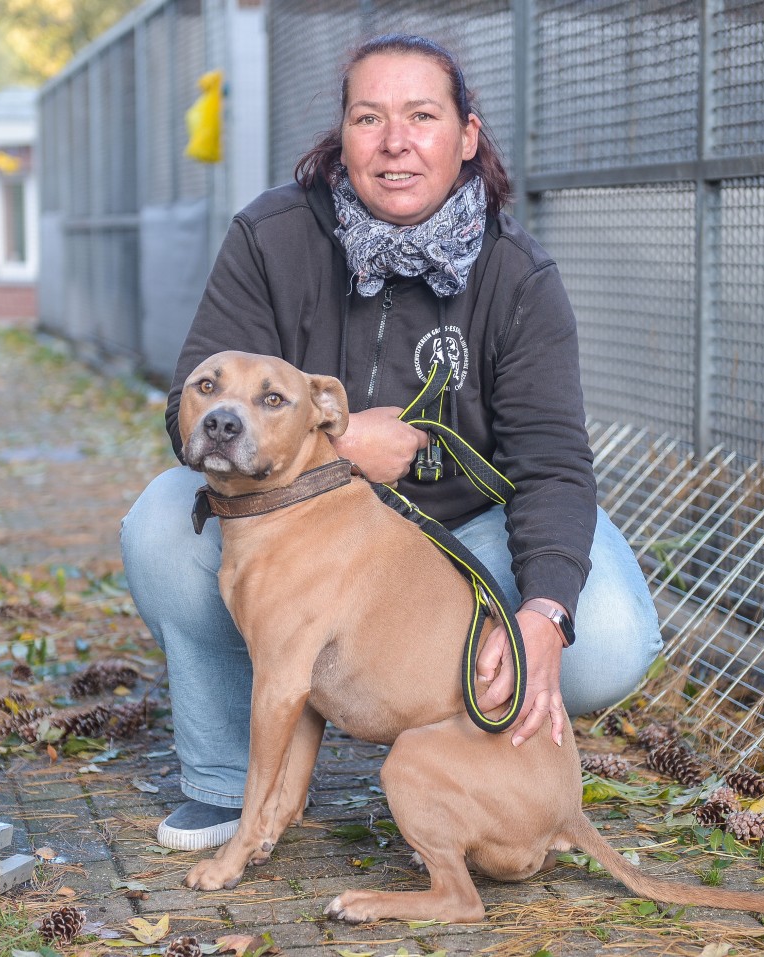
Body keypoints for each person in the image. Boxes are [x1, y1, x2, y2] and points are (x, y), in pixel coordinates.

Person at [120, 33, 663, 852]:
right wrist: (338, 452)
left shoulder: (517, 277)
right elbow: (187, 412)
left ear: (467, 136)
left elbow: (553, 465)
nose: (395, 142)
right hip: (304, 517)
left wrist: (546, 611)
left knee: (608, 637)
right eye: (369, 118)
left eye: (422, 116)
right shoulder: (273, 237)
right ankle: (227, 778)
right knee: (163, 525)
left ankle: (465, 760)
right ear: (342, 132)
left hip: (467, 530)